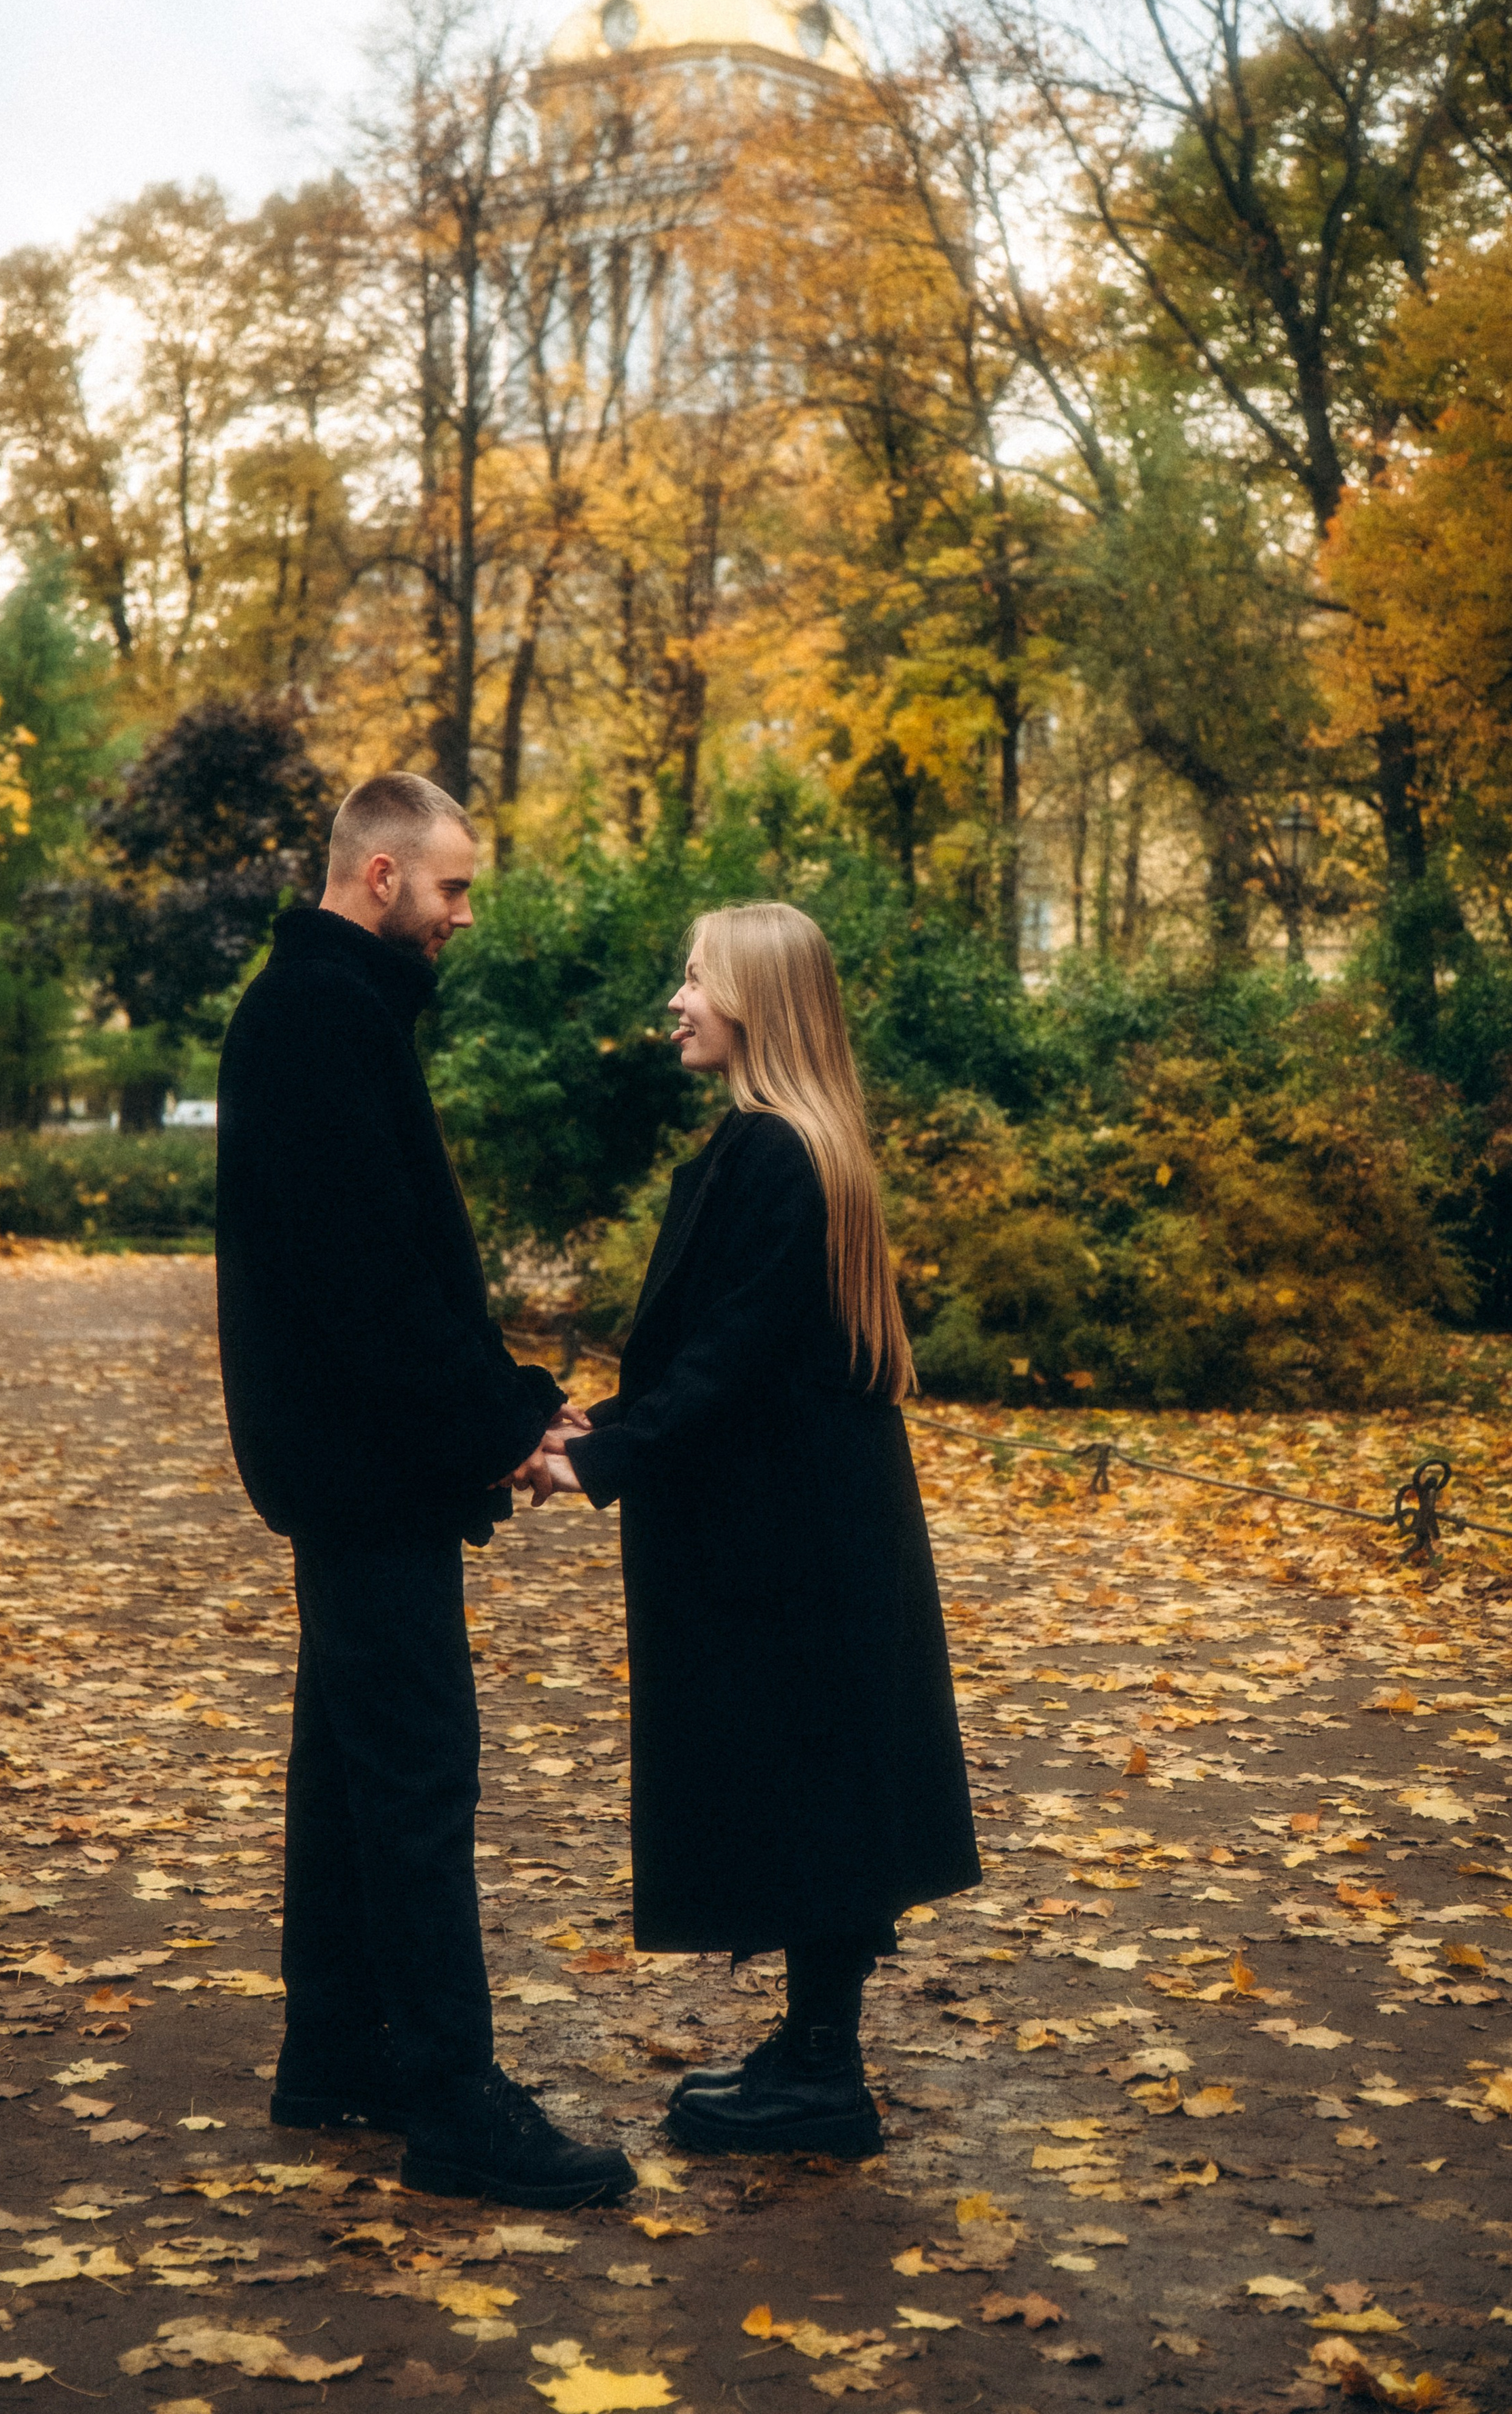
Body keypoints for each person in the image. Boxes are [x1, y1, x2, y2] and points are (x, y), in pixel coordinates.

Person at [215, 770, 635, 2210]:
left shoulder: (325, 1010)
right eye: (452, 887)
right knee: (414, 1773)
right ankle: (453, 2097)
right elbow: (371, 1287)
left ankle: (335, 2052)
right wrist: (499, 1422)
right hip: (363, 1462)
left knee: (346, 1763)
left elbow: (391, 1268)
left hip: (353, 1460)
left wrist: (503, 1397)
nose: (463, 914)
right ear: (381, 877)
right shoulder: (321, 1019)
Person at [539, 901, 980, 2159]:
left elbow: (730, 1361)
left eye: (695, 979)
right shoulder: (789, 1145)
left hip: (792, 1538)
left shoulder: (777, 1154)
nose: (675, 1001)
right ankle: (811, 2051)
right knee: (820, 1776)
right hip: (808, 1524)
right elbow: (740, 1351)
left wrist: (601, 1457)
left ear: (757, 1003)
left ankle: (825, 2079)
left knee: (813, 1779)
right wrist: (599, 1427)